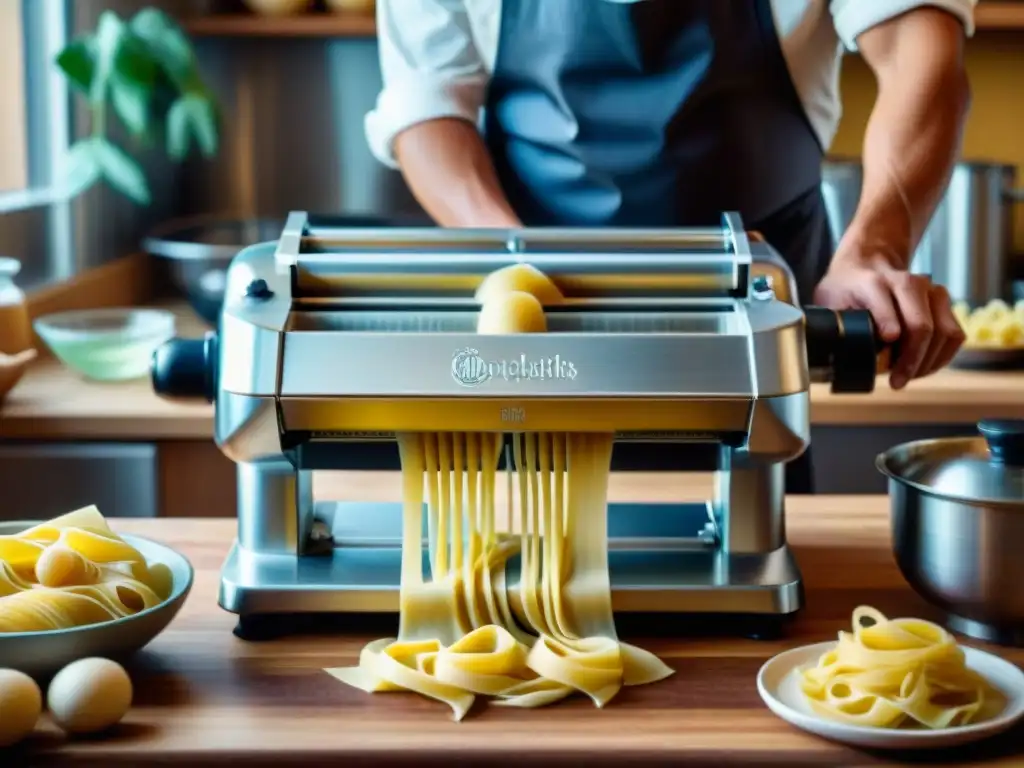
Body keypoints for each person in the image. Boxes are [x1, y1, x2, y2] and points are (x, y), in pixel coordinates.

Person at [364, 0, 974, 493]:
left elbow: (919, 54)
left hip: (753, 339)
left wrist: (875, 249)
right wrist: (515, 262)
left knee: (752, 540)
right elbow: (429, 103)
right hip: (536, 341)